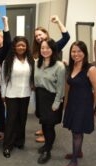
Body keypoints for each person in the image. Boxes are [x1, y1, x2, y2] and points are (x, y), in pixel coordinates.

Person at [63, 41, 96, 166]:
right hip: (73, 103)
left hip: (84, 105)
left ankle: (74, 160)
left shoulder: (91, 69)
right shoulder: (72, 66)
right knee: (76, 129)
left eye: (79, 51)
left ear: (84, 53)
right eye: (73, 51)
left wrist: (92, 107)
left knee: (76, 132)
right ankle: (78, 152)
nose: (76, 54)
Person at [32, 15, 70, 143]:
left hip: (53, 87)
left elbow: (66, 37)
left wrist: (58, 22)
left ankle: (47, 133)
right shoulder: (38, 51)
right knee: (43, 113)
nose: (38, 37)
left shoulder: (54, 45)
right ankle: (44, 129)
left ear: (46, 34)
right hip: (42, 88)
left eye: (40, 34)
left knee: (50, 115)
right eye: (36, 36)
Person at [1, 36, 34, 158]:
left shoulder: (30, 60)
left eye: (23, 45)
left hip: (25, 94)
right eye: (18, 45)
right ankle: (7, 146)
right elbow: (3, 80)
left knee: (22, 119)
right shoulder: (8, 61)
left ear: (27, 47)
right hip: (11, 94)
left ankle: (19, 141)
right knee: (11, 120)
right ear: (14, 47)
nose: (21, 47)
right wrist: (3, 95)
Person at [34, 38, 65, 164]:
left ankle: (48, 150)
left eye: (48, 48)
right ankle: (47, 144)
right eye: (42, 48)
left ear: (53, 49)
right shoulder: (37, 63)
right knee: (43, 123)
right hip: (41, 96)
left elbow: (61, 87)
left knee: (49, 126)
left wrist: (57, 103)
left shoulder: (60, 66)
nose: (45, 50)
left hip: (52, 97)